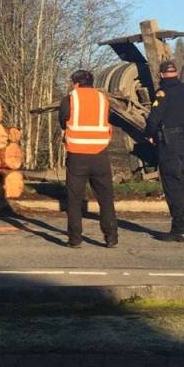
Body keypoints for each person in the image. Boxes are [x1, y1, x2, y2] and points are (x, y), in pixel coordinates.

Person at [59, 69, 118, 248]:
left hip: (77, 155)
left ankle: (75, 238)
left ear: (76, 83)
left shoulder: (70, 99)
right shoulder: (103, 99)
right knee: (106, 198)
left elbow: (63, 120)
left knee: (74, 200)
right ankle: (111, 237)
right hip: (100, 154)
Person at [145, 59, 184, 242]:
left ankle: (179, 229)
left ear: (161, 75)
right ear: (176, 73)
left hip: (170, 143)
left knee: (173, 185)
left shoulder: (163, 93)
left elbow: (154, 118)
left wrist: (149, 134)